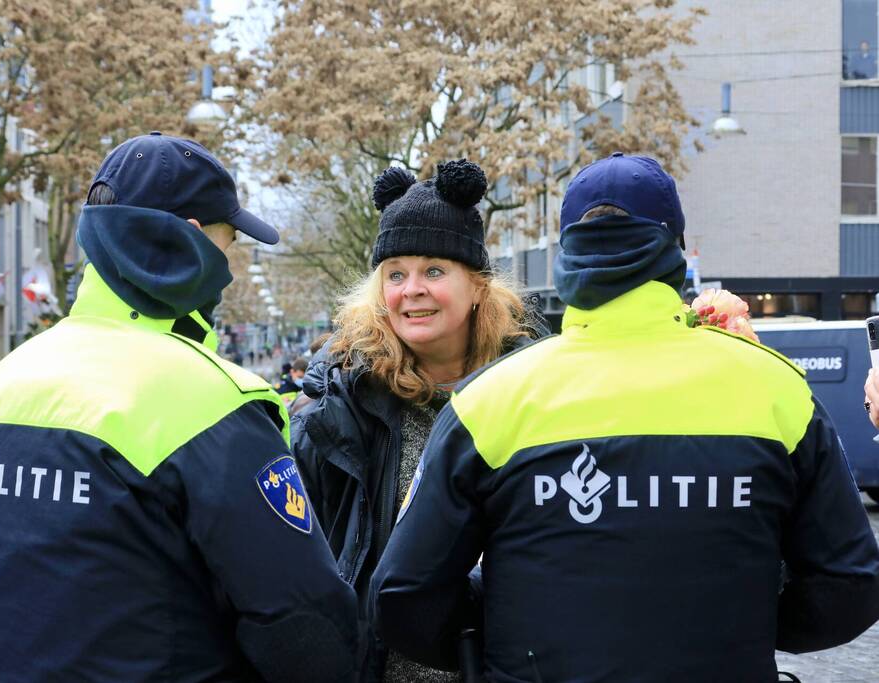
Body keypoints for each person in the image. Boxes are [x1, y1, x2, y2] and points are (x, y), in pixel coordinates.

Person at [372, 153, 879, 682]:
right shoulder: (778, 393)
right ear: (674, 250)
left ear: (567, 254)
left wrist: (501, 625)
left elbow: (404, 595)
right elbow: (851, 584)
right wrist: (748, 620)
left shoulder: (489, 401)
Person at [0, 133, 359, 682]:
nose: (230, 266)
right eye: (229, 241)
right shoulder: (209, 398)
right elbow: (307, 628)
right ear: (193, 240)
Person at [292, 159, 544, 682]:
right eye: (396, 274)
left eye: (434, 270)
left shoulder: (535, 389)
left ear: (477, 286)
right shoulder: (339, 407)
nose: (412, 290)